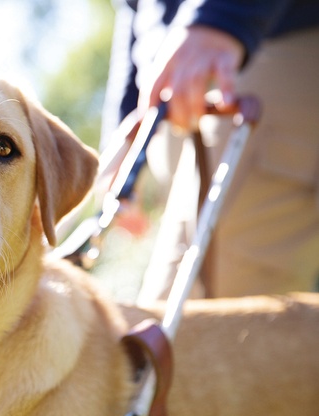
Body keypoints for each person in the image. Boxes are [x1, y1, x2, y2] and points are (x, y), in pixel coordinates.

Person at [101, 0, 319, 303]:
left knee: (187, 325)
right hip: (179, 94)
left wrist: (220, 18)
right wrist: (121, 127)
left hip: (266, 46)